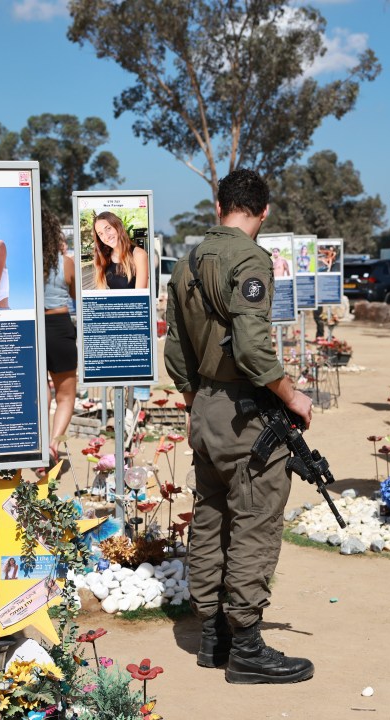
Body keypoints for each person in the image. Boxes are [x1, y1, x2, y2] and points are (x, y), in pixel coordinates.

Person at [164, 168, 315, 685]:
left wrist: (199, 402)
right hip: (241, 411)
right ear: (264, 211)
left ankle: (214, 635)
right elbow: (252, 349)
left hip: (204, 406)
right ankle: (247, 645)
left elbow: (176, 351)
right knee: (254, 518)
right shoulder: (249, 259)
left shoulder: (187, 262)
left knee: (210, 516)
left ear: (219, 205)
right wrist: (293, 396)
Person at [41, 206, 77, 469]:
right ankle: (55, 443)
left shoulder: (25, 262)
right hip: (60, 326)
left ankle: (40, 445)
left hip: (33, 328)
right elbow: (77, 296)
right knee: (65, 396)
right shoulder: (65, 263)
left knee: (41, 394)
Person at [92, 211, 148, 289]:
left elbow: (140, 298)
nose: (106, 236)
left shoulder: (139, 255)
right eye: (100, 234)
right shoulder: (104, 257)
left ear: (118, 226)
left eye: (108, 228)